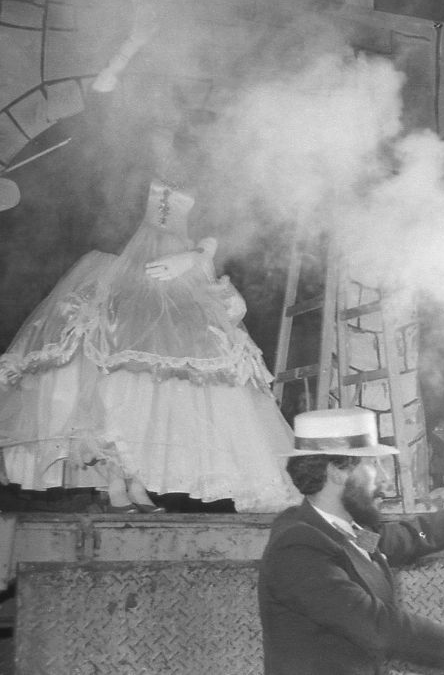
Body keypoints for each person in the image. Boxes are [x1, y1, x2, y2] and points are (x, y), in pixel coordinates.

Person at [0, 177, 297, 512]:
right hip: (127, 274)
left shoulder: (202, 176)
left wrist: (195, 255)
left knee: (154, 386)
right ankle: (117, 484)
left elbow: (219, 231)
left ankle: (136, 483)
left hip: (176, 277)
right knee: (114, 382)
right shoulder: (131, 174)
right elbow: (107, 217)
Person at [259, 407, 444, 675]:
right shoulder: (298, 546)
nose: (385, 479)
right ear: (336, 472)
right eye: (374, 464)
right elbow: (375, 626)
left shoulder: (346, 531)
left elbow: (418, 535)